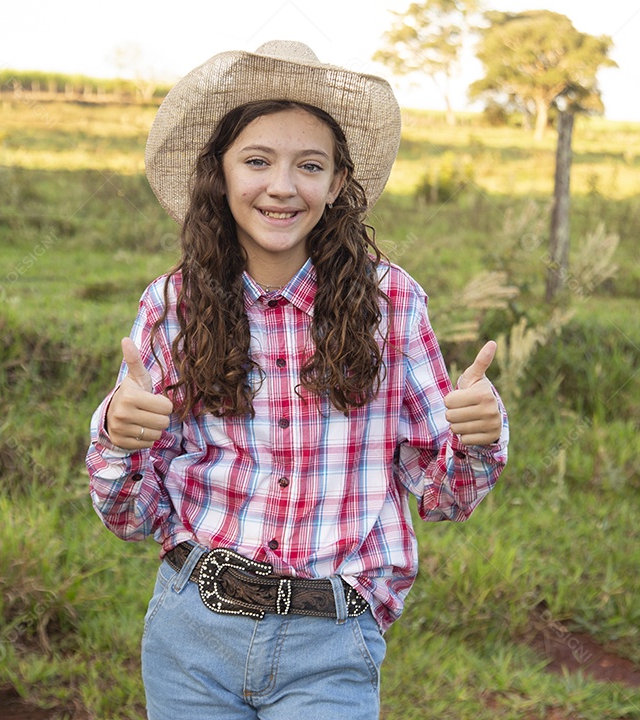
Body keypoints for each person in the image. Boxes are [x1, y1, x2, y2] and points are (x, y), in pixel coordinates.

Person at [86, 40, 509, 720]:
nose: (282, 186)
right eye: (257, 161)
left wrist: (478, 437)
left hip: (332, 643)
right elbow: (131, 515)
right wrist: (116, 437)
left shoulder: (392, 304)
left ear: (337, 182)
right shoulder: (173, 306)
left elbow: (444, 494)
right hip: (192, 635)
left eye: (309, 165)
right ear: (219, 174)